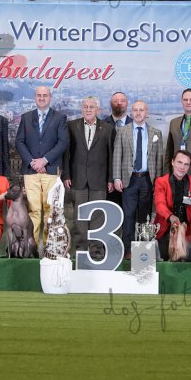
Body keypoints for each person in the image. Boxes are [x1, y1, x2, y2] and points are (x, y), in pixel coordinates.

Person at [15, 85, 69, 247]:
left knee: (50, 211)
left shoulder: (60, 117)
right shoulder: (26, 117)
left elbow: (63, 142)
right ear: (35, 97)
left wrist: (45, 160)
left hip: (51, 171)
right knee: (33, 210)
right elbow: (19, 142)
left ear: (50, 97)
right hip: (30, 171)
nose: (42, 98)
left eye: (45, 95)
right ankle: (30, 247)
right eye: (39, 95)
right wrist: (33, 162)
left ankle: (49, 247)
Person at [62, 96, 113, 259]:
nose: (88, 110)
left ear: (98, 110)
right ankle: (81, 250)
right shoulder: (71, 126)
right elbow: (67, 153)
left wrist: (111, 179)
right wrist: (66, 174)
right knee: (80, 216)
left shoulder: (108, 128)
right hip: (78, 178)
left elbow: (111, 155)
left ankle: (96, 251)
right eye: (85, 107)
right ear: (81, 109)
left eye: (91, 107)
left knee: (98, 216)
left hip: (99, 179)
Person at [112, 100, 164, 256]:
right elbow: (117, 155)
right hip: (129, 179)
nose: (138, 113)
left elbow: (159, 159)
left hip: (148, 180)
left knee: (145, 215)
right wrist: (116, 177)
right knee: (128, 215)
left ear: (146, 113)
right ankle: (128, 250)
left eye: (141, 110)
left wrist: (159, 182)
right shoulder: (122, 131)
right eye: (135, 110)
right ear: (131, 112)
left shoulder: (156, 133)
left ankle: (143, 251)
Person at [153, 150, 191, 261]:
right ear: (172, 162)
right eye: (179, 162)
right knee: (167, 257)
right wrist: (171, 217)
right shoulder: (161, 181)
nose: (182, 167)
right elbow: (160, 204)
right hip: (167, 229)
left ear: (189, 167)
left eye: (186, 164)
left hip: (188, 231)